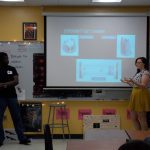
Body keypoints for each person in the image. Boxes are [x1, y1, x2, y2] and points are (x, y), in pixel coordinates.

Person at [0, 52, 31, 146]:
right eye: (5, 58)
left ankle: (22, 138)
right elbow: (12, 81)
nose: (7, 60)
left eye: (7, 58)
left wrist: (4, 84)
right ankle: (0, 139)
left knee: (17, 118)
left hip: (12, 97)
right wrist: (8, 84)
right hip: (0, 97)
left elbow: (16, 81)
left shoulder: (12, 69)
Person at [121, 57, 150, 130]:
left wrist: (133, 81)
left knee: (142, 118)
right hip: (135, 94)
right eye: (136, 62)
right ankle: (138, 136)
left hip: (141, 95)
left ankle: (144, 138)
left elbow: (143, 85)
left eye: (139, 62)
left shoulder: (146, 72)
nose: (137, 64)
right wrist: (128, 82)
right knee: (133, 118)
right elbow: (135, 86)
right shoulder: (138, 73)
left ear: (144, 63)